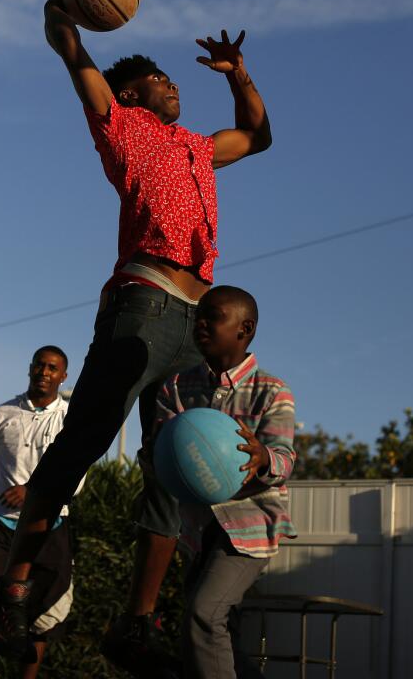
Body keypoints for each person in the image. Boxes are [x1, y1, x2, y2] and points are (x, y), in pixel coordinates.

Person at [0, 0, 275, 675]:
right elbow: (68, 49)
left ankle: (135, 623)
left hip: (196, 319)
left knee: (179, 469)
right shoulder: (122, 124)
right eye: (164, 81)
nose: (176, 89)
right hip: (143, 300)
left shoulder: (199, 147)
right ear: (136, 92)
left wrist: (238, 73)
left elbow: (258, 136)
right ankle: (10, 590)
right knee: (84, 438)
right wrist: (61, 2)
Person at [150, 285, 296, 679]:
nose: (200, 323)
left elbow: (285, 460)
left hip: (249, 527)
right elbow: (165, 453)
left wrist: (263, 457)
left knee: (204, 614)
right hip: (198, 529)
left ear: (243, 329)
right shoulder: (176, 388)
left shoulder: (272, 391)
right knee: (214, 634)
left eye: (212, 317)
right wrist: (158, 455)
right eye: (198, 316)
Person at [0, 346, 80, 678]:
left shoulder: (72, 418)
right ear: (30, 369)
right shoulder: (2, 414)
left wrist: (33, 493)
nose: (44, 372)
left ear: (63, 376)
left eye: (52, 368)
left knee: (45, 610)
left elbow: (77, 478)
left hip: (47, 525)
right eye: (39, 365)